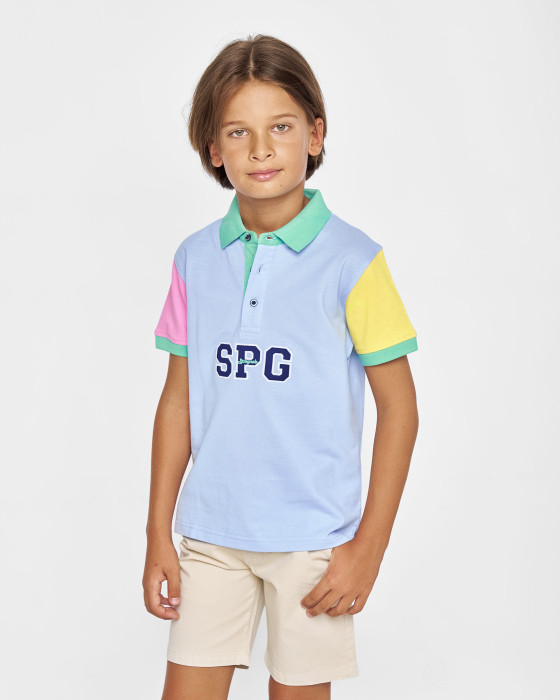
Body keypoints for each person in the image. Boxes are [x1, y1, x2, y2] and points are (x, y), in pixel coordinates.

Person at [143, 33, 419, 700]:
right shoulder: (194, 259)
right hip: (211, 532)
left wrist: (368, 548)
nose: (261, 149)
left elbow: (400, 410)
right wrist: (158, 533)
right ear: (213, 148)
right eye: (237, 131)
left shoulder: (354, 261)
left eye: (282, 127)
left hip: (313, 541)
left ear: (315, 135)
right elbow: (177, 401)